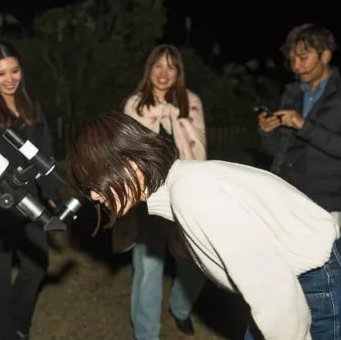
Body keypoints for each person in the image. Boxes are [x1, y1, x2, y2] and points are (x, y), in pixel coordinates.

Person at [66, 110, 341, 340]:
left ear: (130, 165)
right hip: (302, 280)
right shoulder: (186, 182)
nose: (94, 196)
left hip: (313, 282)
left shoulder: (194, 194)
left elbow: (275, 293)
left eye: (95, 182)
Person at [0, 41, 61, 340]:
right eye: (1, 73)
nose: (10, 79)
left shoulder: (30, 105)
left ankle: (18, 327)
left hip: (28, 197)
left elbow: (44, 150)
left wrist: (50, 193)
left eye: (15, 70)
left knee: (37, 264)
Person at [112, 44, 206, 339]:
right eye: (158, 66)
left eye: (171, 67)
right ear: (149, 69)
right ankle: (146, 334)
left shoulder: (190, 102)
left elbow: (199, 147)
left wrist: (173, 115)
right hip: (149, 197)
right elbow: (128, 153)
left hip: (186, 193)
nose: (164, 73)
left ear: (179, 73)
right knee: (149, 270)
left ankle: (180, 307)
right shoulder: (135, 105)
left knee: (197, 263)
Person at [259, 23, 341, 222]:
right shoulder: (293, 94)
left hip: (328, 205)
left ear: (325, 56)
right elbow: (279, 151)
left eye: (303, 58)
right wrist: (268, 132)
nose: (296, 67)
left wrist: (304, 125)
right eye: (292, 60)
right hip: (288, 197)